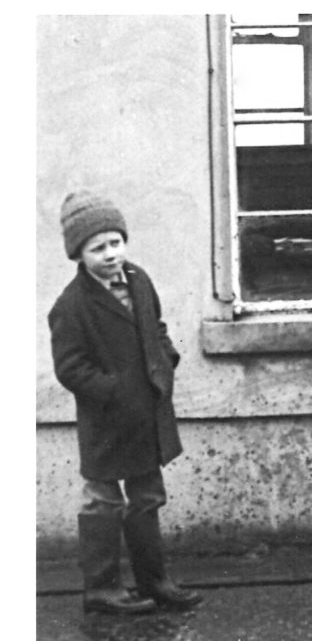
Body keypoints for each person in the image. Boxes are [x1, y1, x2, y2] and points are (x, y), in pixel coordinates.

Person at [48, 191, 202, 613]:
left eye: (115, 242)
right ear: (79, 255)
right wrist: (111, 391)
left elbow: (157, 326)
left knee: (148, 496)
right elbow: (70, 367)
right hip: (107, 421)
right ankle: (100, 588)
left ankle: (155, 582)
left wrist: (165, 361)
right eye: (98, 248)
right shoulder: (71, 305)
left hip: (147, 414)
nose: (110, 254)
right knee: (103, 500)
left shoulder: (139, 280)